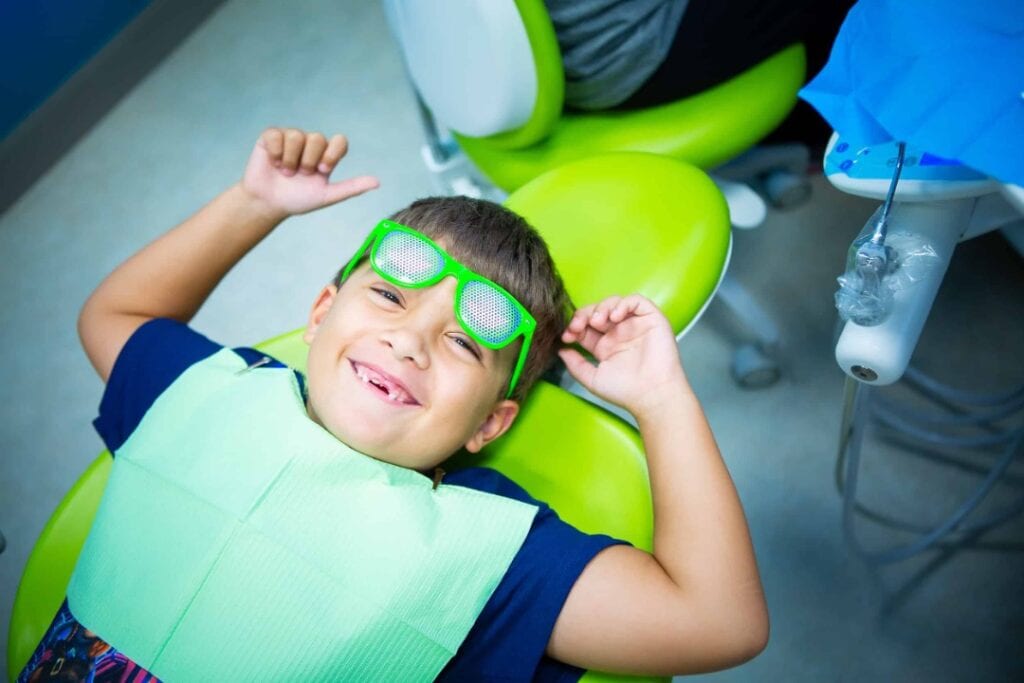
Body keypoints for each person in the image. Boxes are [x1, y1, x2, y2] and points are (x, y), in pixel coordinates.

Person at [18, 127, 768, 682]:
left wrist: (661, 398)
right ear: (320, 312)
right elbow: (113, 317)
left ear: (490, 423)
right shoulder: (209, 388)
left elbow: (717, 621)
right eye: (387, 295)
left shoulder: (491, 551)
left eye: (465, 344)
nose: (409, 341)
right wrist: (253, 204)